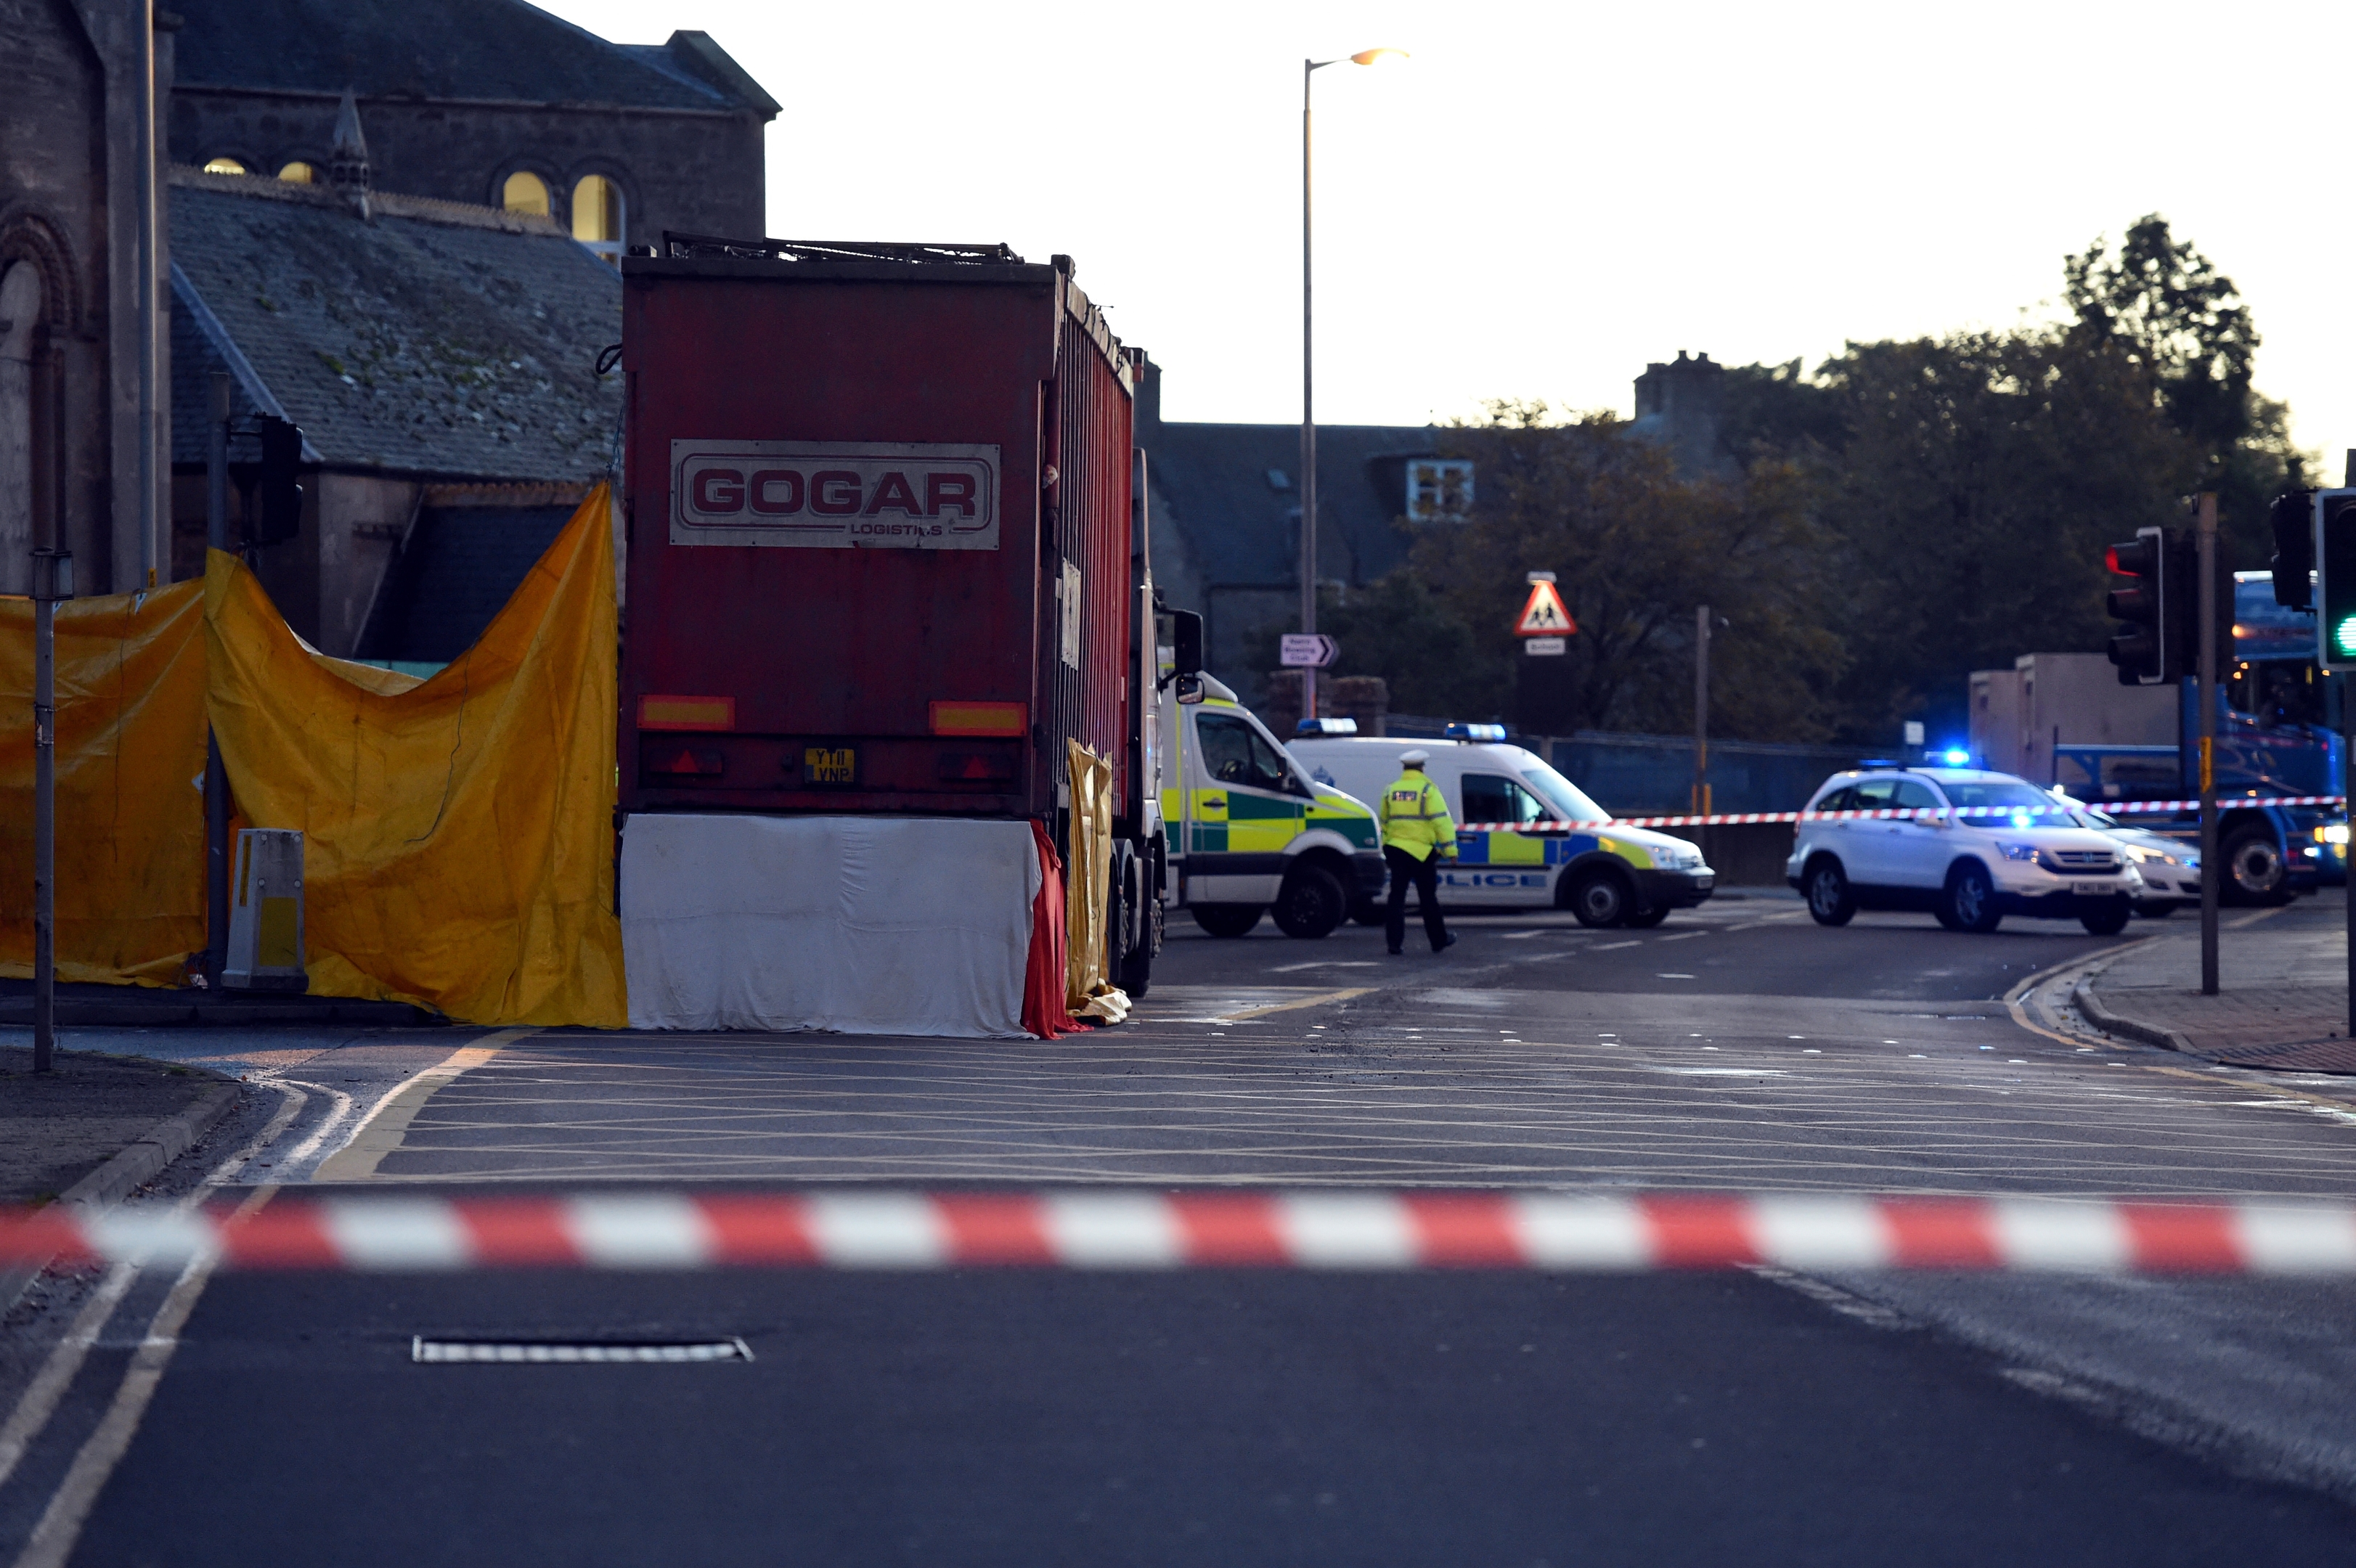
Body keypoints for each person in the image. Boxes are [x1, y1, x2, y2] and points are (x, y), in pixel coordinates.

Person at [1379, 748, 1459, 955]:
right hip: (1422, 853)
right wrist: (1450, 849)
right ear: (1422, 767)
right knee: (1428, 899)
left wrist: (1387, 845)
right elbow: (1441, 821)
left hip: (1396, 850)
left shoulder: (1391, 790)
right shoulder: (1427, 790)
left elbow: (1384, 822)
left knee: (1396, 897)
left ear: (1404, 768)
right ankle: (1438, 941)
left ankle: (1394, 944)